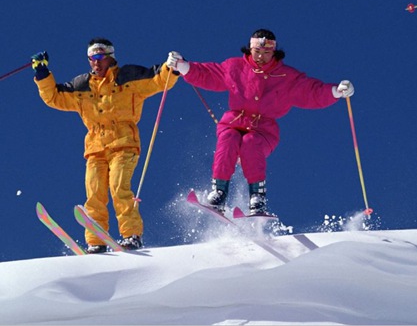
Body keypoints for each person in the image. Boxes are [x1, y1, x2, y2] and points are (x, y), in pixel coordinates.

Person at [166, 28, 354, 215]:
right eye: (257, 52)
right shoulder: (235, 67)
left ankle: (257, 197)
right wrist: (182, 66)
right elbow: (208, 74)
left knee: (250, 143)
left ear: (274, 52)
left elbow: (311, 92)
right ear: (249, 50)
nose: (261, 57)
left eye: (266, 53)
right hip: (234, 122)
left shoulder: (286, 77)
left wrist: (336, 91)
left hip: (263, 130)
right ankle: (219, 192)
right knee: (229, 138)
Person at [32, 38, 179, 253]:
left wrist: (171, 66)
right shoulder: (82, 86)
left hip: (124, 144)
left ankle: (131, 235)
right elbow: (54, 96)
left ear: (110, 56)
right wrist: (42, 73)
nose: (96, 62)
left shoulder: (127, 77)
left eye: (100, 57)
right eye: (92, 58)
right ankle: (96, 240)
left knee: (119, 189)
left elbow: (157, 79)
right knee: (95, 194)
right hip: (95, 148)